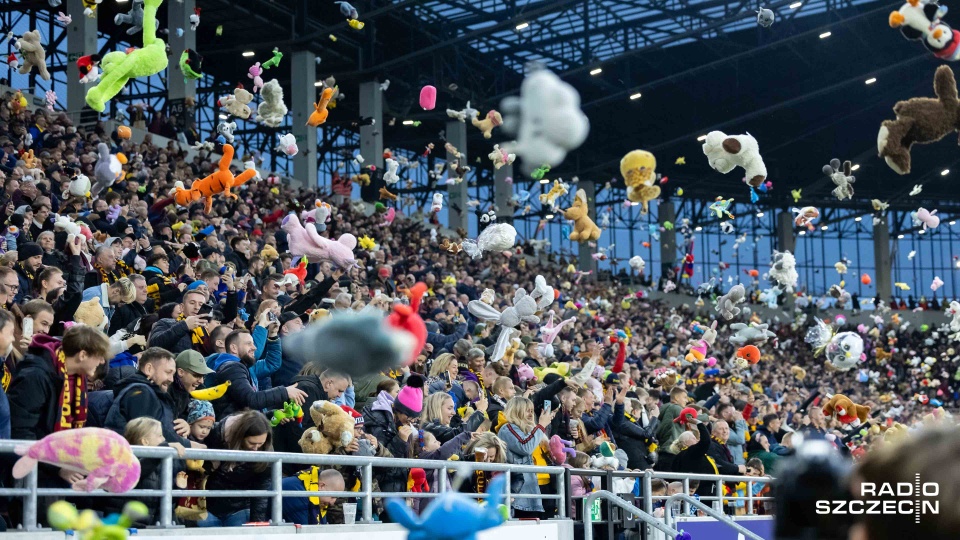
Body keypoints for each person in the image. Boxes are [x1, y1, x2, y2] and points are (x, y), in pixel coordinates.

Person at [6, 325, 110, 486]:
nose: (102, 361)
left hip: (53, 472)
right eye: (100, 356)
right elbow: (21, 431)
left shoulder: (75, 378)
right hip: (32, 477)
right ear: (82, 355)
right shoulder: (36, 375)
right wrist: (56, 467)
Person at [104, 347, 198, 448]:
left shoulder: (152, 392)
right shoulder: (140, 393)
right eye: (168, 372)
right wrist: (188, 445)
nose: (171, 379)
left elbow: (162, 427)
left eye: (173, 374)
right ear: (149, 369)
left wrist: (180, 426)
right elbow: (149, 433)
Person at [199, 410, 275, 527]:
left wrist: (257, 523)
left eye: (260, 444)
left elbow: (261, 490)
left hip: (240, 508)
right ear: (241, 435)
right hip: (206, 506)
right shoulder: (216, 434)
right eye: (251, 443)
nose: (256, 448)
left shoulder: (265, 451)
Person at [208, 329, 306, 418]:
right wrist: (285, 391)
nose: (254, 347)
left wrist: (271, 415)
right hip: (234, 432)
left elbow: (243, 407)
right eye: (248, 344)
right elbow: (250, 400)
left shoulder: (238, 366)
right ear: (234, 348)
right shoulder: (231, 368)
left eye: (253, 343)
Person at [498, 396, 555, 519]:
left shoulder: (528, 430)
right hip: (519, 494)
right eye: (527, 410)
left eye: (531, 410)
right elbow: (525, 446)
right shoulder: (507, 428)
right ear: (516, 410)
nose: (531, 414)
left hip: (534, 489)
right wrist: (541, 425)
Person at [148, 289, 210, 354]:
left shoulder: (207, 330)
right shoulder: (166, 322)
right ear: (182, 307)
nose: (196, 307)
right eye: (192, 303)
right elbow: (154, 345)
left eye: (200, 304)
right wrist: (185, 325)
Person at [280, 468, 345, 525]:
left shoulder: (316, 494)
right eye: (333, 497)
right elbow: (304, 533)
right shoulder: (295, 491)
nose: (332, 502)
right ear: (321, 486)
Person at [421, 392, 487, 444]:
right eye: (449, 408)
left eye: (453, 408)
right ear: (437, 408)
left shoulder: (443, 426)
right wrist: (479, 411)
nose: (454, 413)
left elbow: (458, 428)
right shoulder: (430, 427)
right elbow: (458, 434)